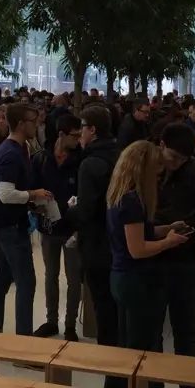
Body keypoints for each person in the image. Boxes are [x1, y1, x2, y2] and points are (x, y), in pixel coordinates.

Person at [106, 140, 188, 384]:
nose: (159, 175)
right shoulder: (132, 201)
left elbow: (139, 232)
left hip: (122, 277)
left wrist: (166, 230)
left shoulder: (119, 194)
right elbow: (138, 249)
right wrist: (169, 242)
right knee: (139, 351)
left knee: (126, 346)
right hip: (135, 281)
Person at [152, 122, 195, 357]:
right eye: (173, 157)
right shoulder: (144, 168)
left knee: (187, 334)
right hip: (152, 258)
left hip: (186, 259)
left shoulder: (192, 168)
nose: (177, 163)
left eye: (183, 159)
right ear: (161, 145)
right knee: (151, 335)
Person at [0, 102, 47, 336]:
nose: (37, 124)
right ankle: (24, 342)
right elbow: (6, 194)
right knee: (26, 282)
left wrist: (32, 202)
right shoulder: (11, 153)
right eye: (33, 120)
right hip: (10, 226)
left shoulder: (18, 148)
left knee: (2, 276)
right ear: (21, 124)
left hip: (6, 222)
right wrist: (34, 195)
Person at [65, 104, 121, 350]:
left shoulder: (90, 164)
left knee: (103, 309)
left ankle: (110, 369)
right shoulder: (119, 155)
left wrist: (70, 210)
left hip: (97, 244)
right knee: (116, 309)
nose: (80, 134)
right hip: (119, 241)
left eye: (83, 129)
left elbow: (87, 211)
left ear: (93, 130)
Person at [30, 113, 83, 340]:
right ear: (61, 134)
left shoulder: (82, 161)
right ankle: (51, 320)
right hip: (48, 227)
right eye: (75, 136)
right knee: (50, 275)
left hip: (72, 229)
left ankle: (70, 325)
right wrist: (35, 205)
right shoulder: (41, 158)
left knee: (73, 279)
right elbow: (30, 189)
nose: (79, 140)